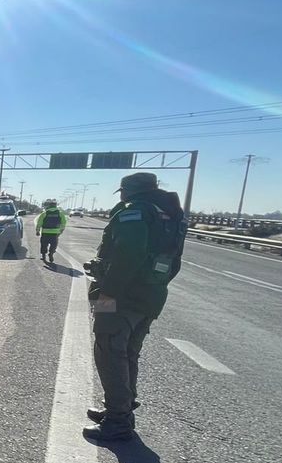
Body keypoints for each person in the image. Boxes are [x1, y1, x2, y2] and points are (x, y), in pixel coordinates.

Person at [83, 173, 186, 441]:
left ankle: (118, 420)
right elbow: (174, 260)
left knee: (107, 348)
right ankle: (121, 406)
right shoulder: (172, 214)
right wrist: (155, 285)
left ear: (128, 191)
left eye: (123, 192)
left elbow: (129, 255)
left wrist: (107, 293)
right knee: (128, 351)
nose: (122, 197)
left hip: (120, 295)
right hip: (151, 294)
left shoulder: (136, 212)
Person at [35, 199, 68, 263]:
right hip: (55, 232)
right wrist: (61, 230)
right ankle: (51, 253)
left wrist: (37, 230)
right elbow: (63, 222)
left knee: (44, 244)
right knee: (54, 245)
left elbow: (39, 223)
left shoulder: (44, 213)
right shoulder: (60, 213)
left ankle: (43, 255)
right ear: (55, 206)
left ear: (49, 206)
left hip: (45, 232)